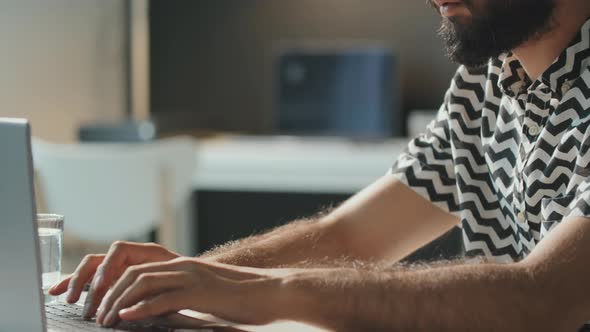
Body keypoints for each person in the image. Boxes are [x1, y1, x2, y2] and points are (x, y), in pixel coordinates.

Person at [50, 0, 590, 330]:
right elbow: (352, 236)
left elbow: (541, 300)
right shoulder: (488, 81)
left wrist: (251, 292)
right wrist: (186, 276)